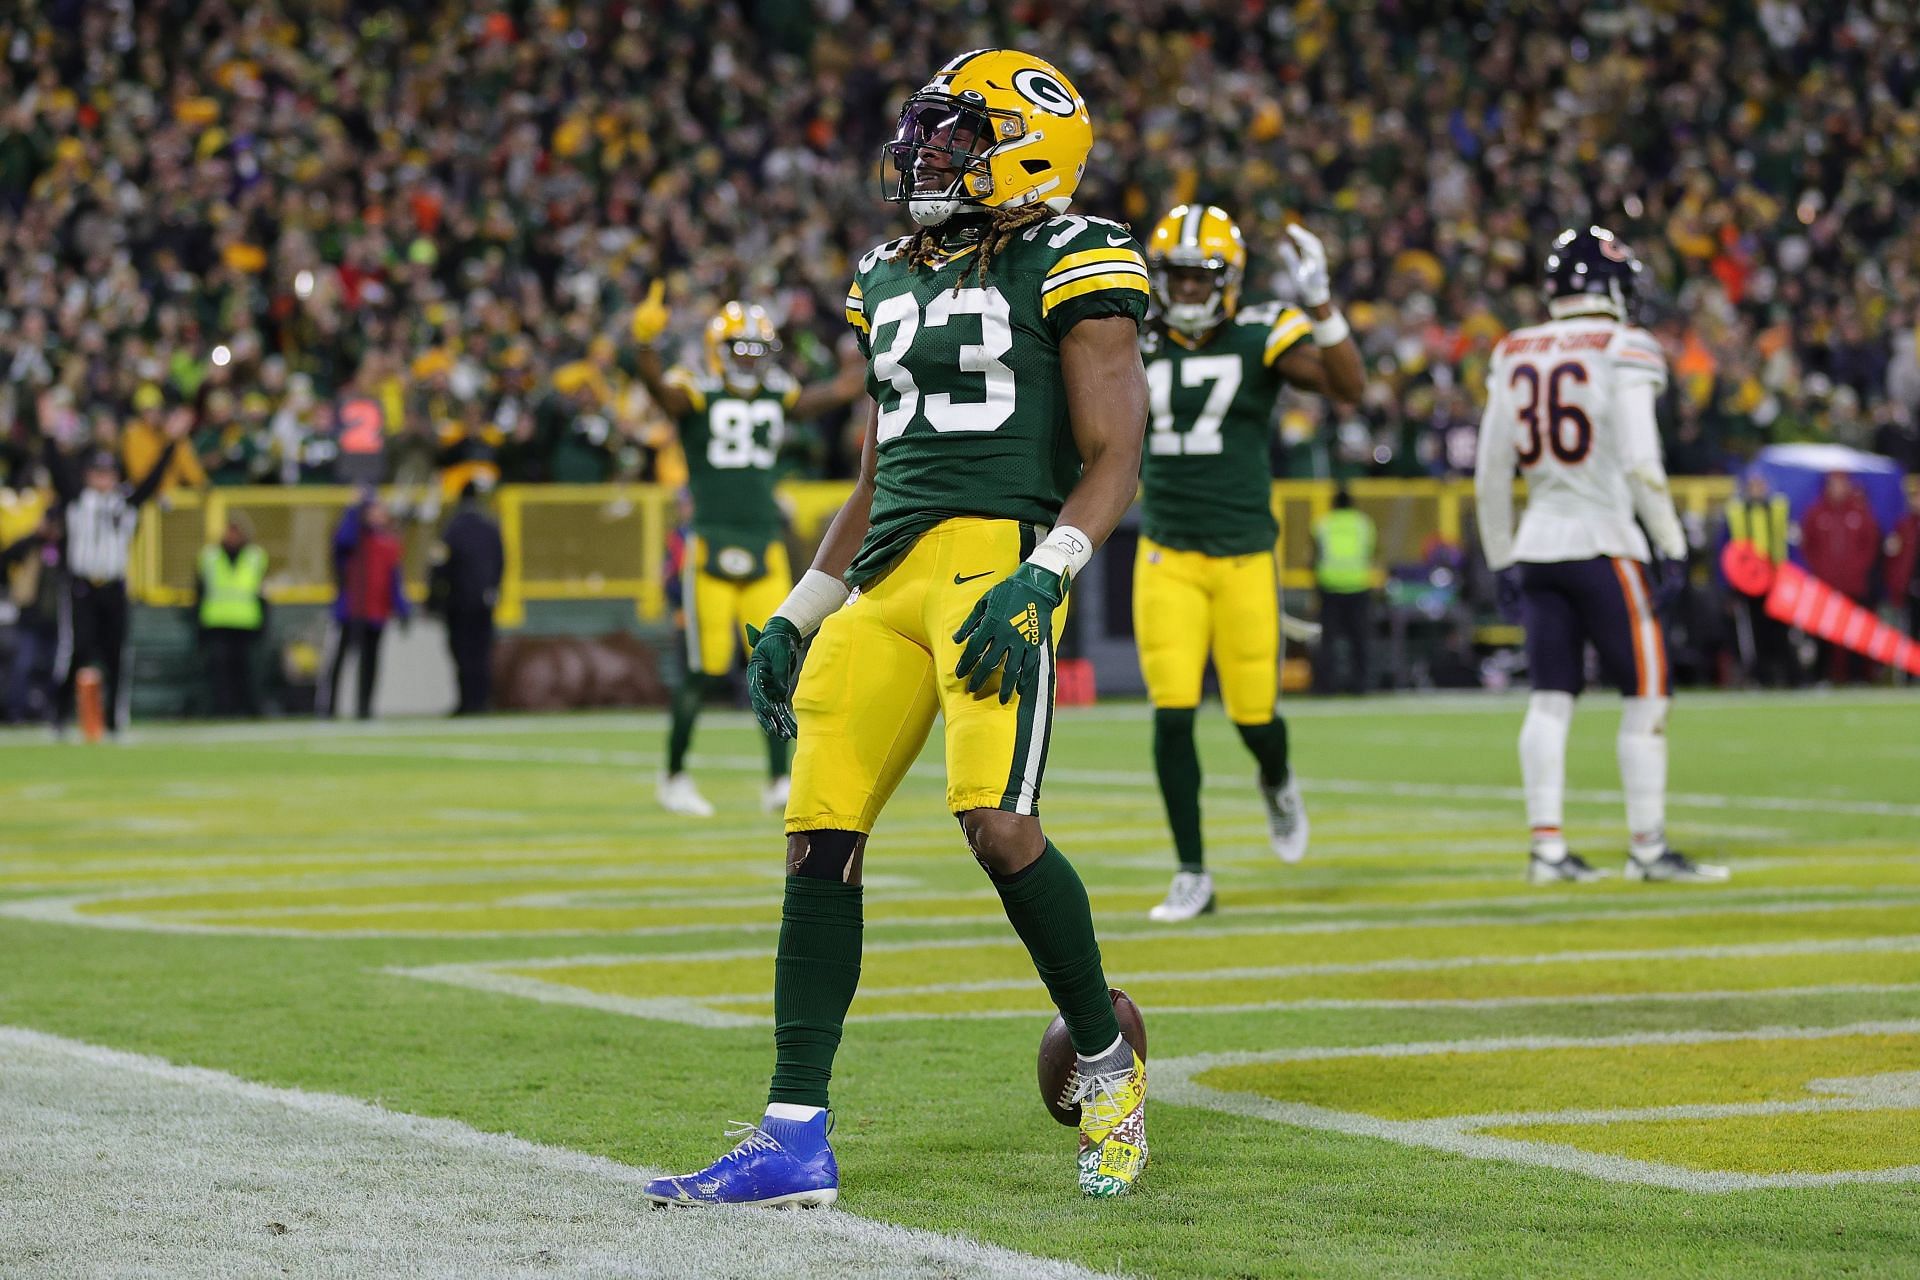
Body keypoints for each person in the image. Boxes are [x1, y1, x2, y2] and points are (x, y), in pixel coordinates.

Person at [645, 50, 1151, 1207]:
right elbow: (874, 474)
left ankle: (1109, 1063)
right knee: (817, 831)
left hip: (996, 563)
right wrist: (796, 608)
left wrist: (1048, 574)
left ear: (1027, 146)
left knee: (998, 825)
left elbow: (1117, 451)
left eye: (956, 134)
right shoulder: (888, 271)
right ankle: (793, 1134)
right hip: (883, 581)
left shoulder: (1074, 255)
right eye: (929, 133)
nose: (929, 154)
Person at [1130, 204, 1366, 922]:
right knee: (1172, 715)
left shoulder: (1262, 332)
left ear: (1229, 280)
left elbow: (1347, 386)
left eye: (1203, 279)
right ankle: (1191, 871)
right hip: (1166, 553)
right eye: (1178, 278)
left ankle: (1276, 775)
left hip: (1242, 558)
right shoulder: (1129, 337)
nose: (1191, 293)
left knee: (1254, 717)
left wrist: (1321, 303)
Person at [1475, 226, 1726, 884]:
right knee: (1646, 697)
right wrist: (1672, 545)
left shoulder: (1514, 348)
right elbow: (1643, 463)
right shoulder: (1625, 346)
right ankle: (1647, 849)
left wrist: (1501, 556)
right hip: (1605, 542)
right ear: (1608, 286)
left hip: (1537, 548)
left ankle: (1547, 850)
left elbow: (1490, 471)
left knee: (1550, 699)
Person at [632, 292, 866, 816]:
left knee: (773, 662)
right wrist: (644, 345)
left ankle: (779, 780)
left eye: (758, 350)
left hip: (764, 541)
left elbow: (843, 390)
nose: (749, 359)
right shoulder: (698, 393)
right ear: (719, 349)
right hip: (710, 540)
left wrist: (869, 344)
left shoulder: (777, 394)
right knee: (704, 666)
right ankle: (673, 776)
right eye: (740, 349)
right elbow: (660, 393)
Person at [43, 409, 187, 738]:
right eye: (97, 473)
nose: (103, 479)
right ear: (88, 475)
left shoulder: (125, 502)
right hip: (82, 586)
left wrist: (171, 443)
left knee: (116, 654)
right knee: (77, 651)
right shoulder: (77, 499)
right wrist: (50, 433)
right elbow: (56, 470)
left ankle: (113, 721)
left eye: (107, 473)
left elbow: (151, 481)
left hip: (113, 586)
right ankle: (59, 715)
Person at [320, 498, 409, 719]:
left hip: (376, 612)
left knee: (370, 663)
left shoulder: (388, 543)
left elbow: (393, 579)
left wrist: (402, 608)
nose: (378, 516)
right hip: (352, 610)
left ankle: (365, 708)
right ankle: (329, 708)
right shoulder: (353, 540)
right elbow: (342, 540)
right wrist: (355, 507)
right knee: (341, 661)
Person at [429, 483, 504, 716]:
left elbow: (440, 565)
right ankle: (481, 701)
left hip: (459, 601)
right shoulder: (490, 527)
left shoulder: (453, 528)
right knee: (481, 653)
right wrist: (492, 588)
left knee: (462, 653)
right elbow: (502, 561)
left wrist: (434, 597)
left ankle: (467, 701)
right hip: (484, 601)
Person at [1801, 470, 1881, 683]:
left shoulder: (1859, 511)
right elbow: (1807, 546)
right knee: (1823, 633)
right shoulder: (1816, 512)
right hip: (1825, 585)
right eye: (1833, 484)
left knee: (1855, 633)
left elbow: (1870, 546)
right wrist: (1820, 571)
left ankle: (1857, 676)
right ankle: (1823, 676)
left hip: (1854, 584)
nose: (1837, 489)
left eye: (1841, 484)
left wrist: (1857, 570)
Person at [1724, 470, 1797, 686]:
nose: (1757, 489)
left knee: (1781, 631)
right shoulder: (1736, 512)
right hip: (1748, 583)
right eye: (1753, 484)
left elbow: (1791, 544)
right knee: (1755, 633)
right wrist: (1729, 585)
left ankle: (1788, 675)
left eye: (1760, 484)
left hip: (1777, 580)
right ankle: (1761, 676)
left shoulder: (1779, 509)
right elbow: (1726, 550)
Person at [194, 514, 268, 717]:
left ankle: (249, 709)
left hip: (246, 622)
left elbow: (261, 593)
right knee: (220, 672)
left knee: (247, 671)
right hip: (217, 622)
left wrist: (263, 623)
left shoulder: (255, 556)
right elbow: (200, 592)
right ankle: (222, 710)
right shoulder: (210, 556)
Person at [1311, 487, 1378, 696]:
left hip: (1329, 586)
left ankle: (1325, 687)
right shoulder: (1363, 524)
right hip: (1358, 585)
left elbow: (1314, 555)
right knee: (1360, 639)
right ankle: (1361, 685)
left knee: (1327, 641)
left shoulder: (1322, 524)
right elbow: (1371, 551)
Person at [2, 507, 64, 724]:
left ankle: (49, 712)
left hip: (58, 619)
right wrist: (35, 535)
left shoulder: (66, 548)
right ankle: (15, 712)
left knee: (53, 668)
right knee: (23, 664)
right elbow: (6, 557)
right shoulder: (32, 545)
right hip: (30, 617)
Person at [1887, 487, 1920, 641]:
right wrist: (1896, 584)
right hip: (1908, 591)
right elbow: (1894, 559)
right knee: (1906, 635)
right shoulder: (1904, 525)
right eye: (1915, 496)